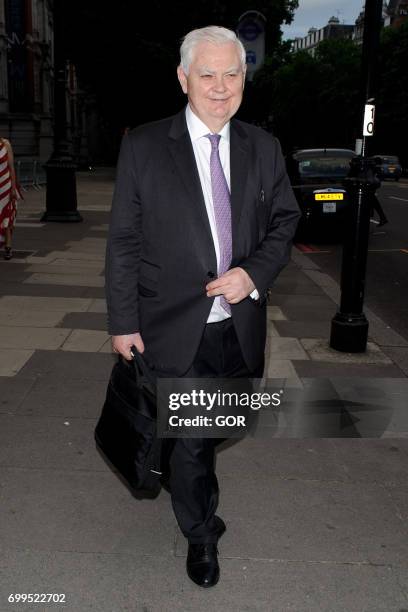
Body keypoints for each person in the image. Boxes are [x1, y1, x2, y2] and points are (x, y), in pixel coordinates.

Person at [105, 26, 300, 588]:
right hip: (170, 324)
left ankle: (178, 457)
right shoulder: (144, 146)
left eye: (231, 74)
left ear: (245, 79)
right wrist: (122, 321)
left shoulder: (263, 148)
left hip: (239, 325)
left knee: (227, 421)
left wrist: (253, 274)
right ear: (183, 78)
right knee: (195, 440)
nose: (220, 87)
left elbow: (285, 221)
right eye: (207, 74)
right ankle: (200, 533)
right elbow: (124, 240)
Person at [0, 137, 20, 260]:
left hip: (5, 185)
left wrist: (13, 188)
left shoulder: (5, 144)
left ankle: (8, 246)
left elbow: (11, 167)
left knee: (6, 215)